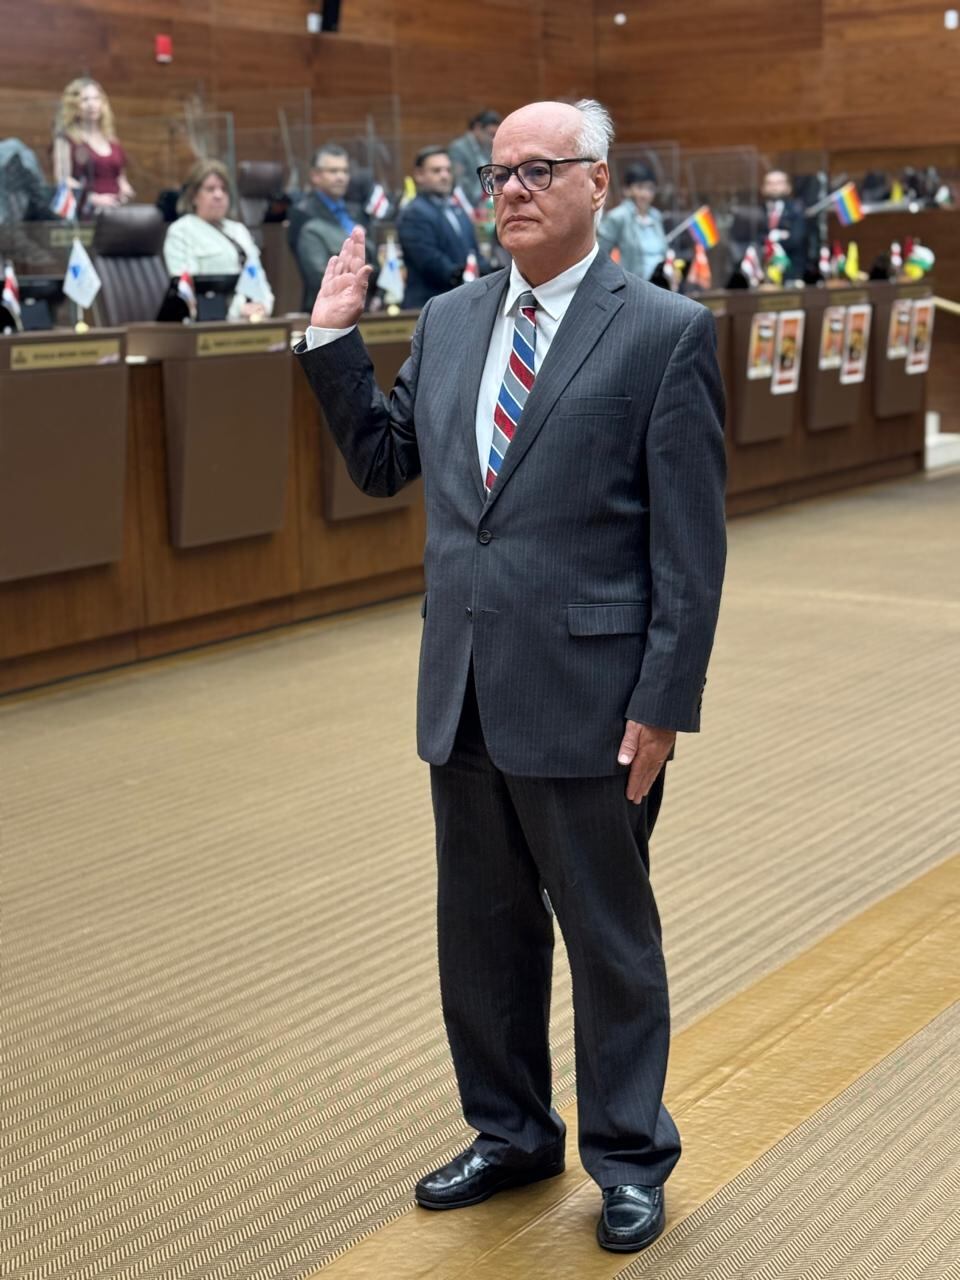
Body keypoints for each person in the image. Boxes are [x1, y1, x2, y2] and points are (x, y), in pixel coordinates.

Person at [296, 99, 726, 1254]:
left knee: (608, 938)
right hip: (467, 688)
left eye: (541, 170)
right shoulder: (447, 319)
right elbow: (389, 463)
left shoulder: (663, 331)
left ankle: (630, 1153)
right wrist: (333, 341)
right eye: (500, 174)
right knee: (482, 938)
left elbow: (690, 548)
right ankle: (511, 1130)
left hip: (594, 701)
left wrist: (663, 703)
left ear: (596, 184)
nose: (515, 189)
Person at [163, 159, 274, 322]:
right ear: (194, 196)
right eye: (210, 189)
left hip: (251, 321)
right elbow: (188, 291)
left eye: (223, 189)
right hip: (209, 325)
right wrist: (238, 309)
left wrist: (263, 306)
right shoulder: (181, 231)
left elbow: (257, 276)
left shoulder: (239, 231)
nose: (219, 195)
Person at [396, 147, 491, 309]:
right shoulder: (413, 213)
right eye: (436, 171)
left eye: (448, 170)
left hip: (462, 301)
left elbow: (473, 254)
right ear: (419, 175)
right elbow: (431, 262)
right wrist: (468, 276)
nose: (445, 176)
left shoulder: (458, 210)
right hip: (429, 305)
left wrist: (490, 274)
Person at [288, 144, 376, 310]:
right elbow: (314, 273)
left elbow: (373, 255)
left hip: (365, 301)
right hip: (325, 306)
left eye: (344, 171)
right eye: (333, 171)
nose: (341, 177)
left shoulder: (356, 210)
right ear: (315, 175)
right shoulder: (303, 213)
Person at [53, 79, 134, 215]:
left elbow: (120, 176)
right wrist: (92, 198)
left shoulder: (112, 139)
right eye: (85, 100)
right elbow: (63, 180)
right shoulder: (67, 139)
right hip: (85, 212)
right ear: (74, 105)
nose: (92, 104)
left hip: (115, 211)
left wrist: (125, 189)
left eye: (96, 98)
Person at [731, 168, 808, 278]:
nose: (774, 187)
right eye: (770, 183)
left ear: (788, 187)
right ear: (763, 188)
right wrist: (773, 237)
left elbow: (796, 239)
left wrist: (772, 242)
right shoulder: (755, 211)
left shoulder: (796, 210)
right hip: (759, 271)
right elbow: (749, 238)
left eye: (779, 183)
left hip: (791, 271)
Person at [598, 164, 668, 280]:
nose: (645, 194)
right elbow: (600, 255)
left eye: (650, 188)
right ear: (627, 190)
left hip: (661, 286)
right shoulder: (618, 217)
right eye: (640, 187)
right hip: (634, 287)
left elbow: (663, 251)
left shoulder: (656, 216)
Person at [448, 109, 502, 208]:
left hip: (486, 202)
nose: (493, 139)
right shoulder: (459, 148)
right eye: (491, 134)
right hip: (466, 204)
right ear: (477, 128)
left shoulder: (488, 147)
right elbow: (459, 182)